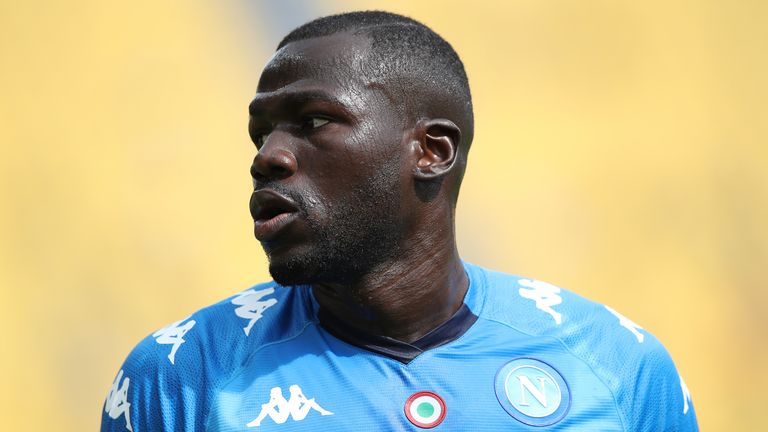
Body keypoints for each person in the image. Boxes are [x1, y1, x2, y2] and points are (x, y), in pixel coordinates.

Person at [101, 11, 698, 431]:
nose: (268, 156)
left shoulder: (614, 365)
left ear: (432, 151)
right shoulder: (184, 374)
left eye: (311, 121)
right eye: (261, 134)